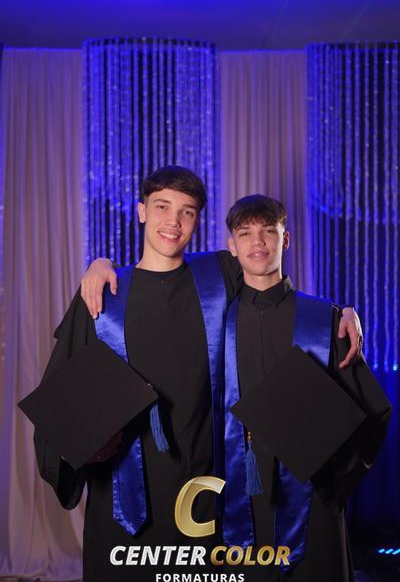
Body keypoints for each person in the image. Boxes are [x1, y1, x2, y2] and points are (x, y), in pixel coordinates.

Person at [34, 166, 363, 582]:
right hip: (123, 493)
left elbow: (271, 282)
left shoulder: (218, 274)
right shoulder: (103, 295)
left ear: (197, 221)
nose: (173, 221)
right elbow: (62, 400)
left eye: (186, 212)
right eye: (161, 207)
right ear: (141, 211)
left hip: (203, 489)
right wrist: (99, 264)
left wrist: (342, 313)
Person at [220, 194, 390, 581]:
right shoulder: (218, 320)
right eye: (245, 233)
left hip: (313, 495)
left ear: (286, 239)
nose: (257, 241)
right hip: (241, 488)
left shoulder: (324, 319)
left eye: (268, 231)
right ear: (232, 246)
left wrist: (335, 479)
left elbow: (374, 410)